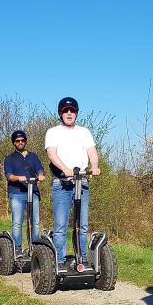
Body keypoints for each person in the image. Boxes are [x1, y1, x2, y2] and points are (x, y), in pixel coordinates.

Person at [45, 96, 101, 271]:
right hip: (62, 183)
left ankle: (82, 259)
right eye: (65, 111)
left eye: (72, 110)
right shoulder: (53, 131)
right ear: (60, 114)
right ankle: (60, 261)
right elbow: (51, 153)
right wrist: (65, 168)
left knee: (82, 225)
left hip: (81, 182)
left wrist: (95, 166)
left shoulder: (84, 132)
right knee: (61, 225)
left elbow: (92, 151)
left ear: (76, 113)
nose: (69, 113)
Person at [3, 130, 46, 255]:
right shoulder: (9, 159)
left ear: (25, 141)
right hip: (17, 193)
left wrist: (41, 175)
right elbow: (9, 176)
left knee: (35, 223)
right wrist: (19, 177)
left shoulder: (33, 156)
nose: (20, 142)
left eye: (22, 140)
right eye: (17, 141)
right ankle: (17, 249)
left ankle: (34, 249)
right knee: (17, 222)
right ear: (14, 143)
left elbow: (40, 169)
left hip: (33, 192)